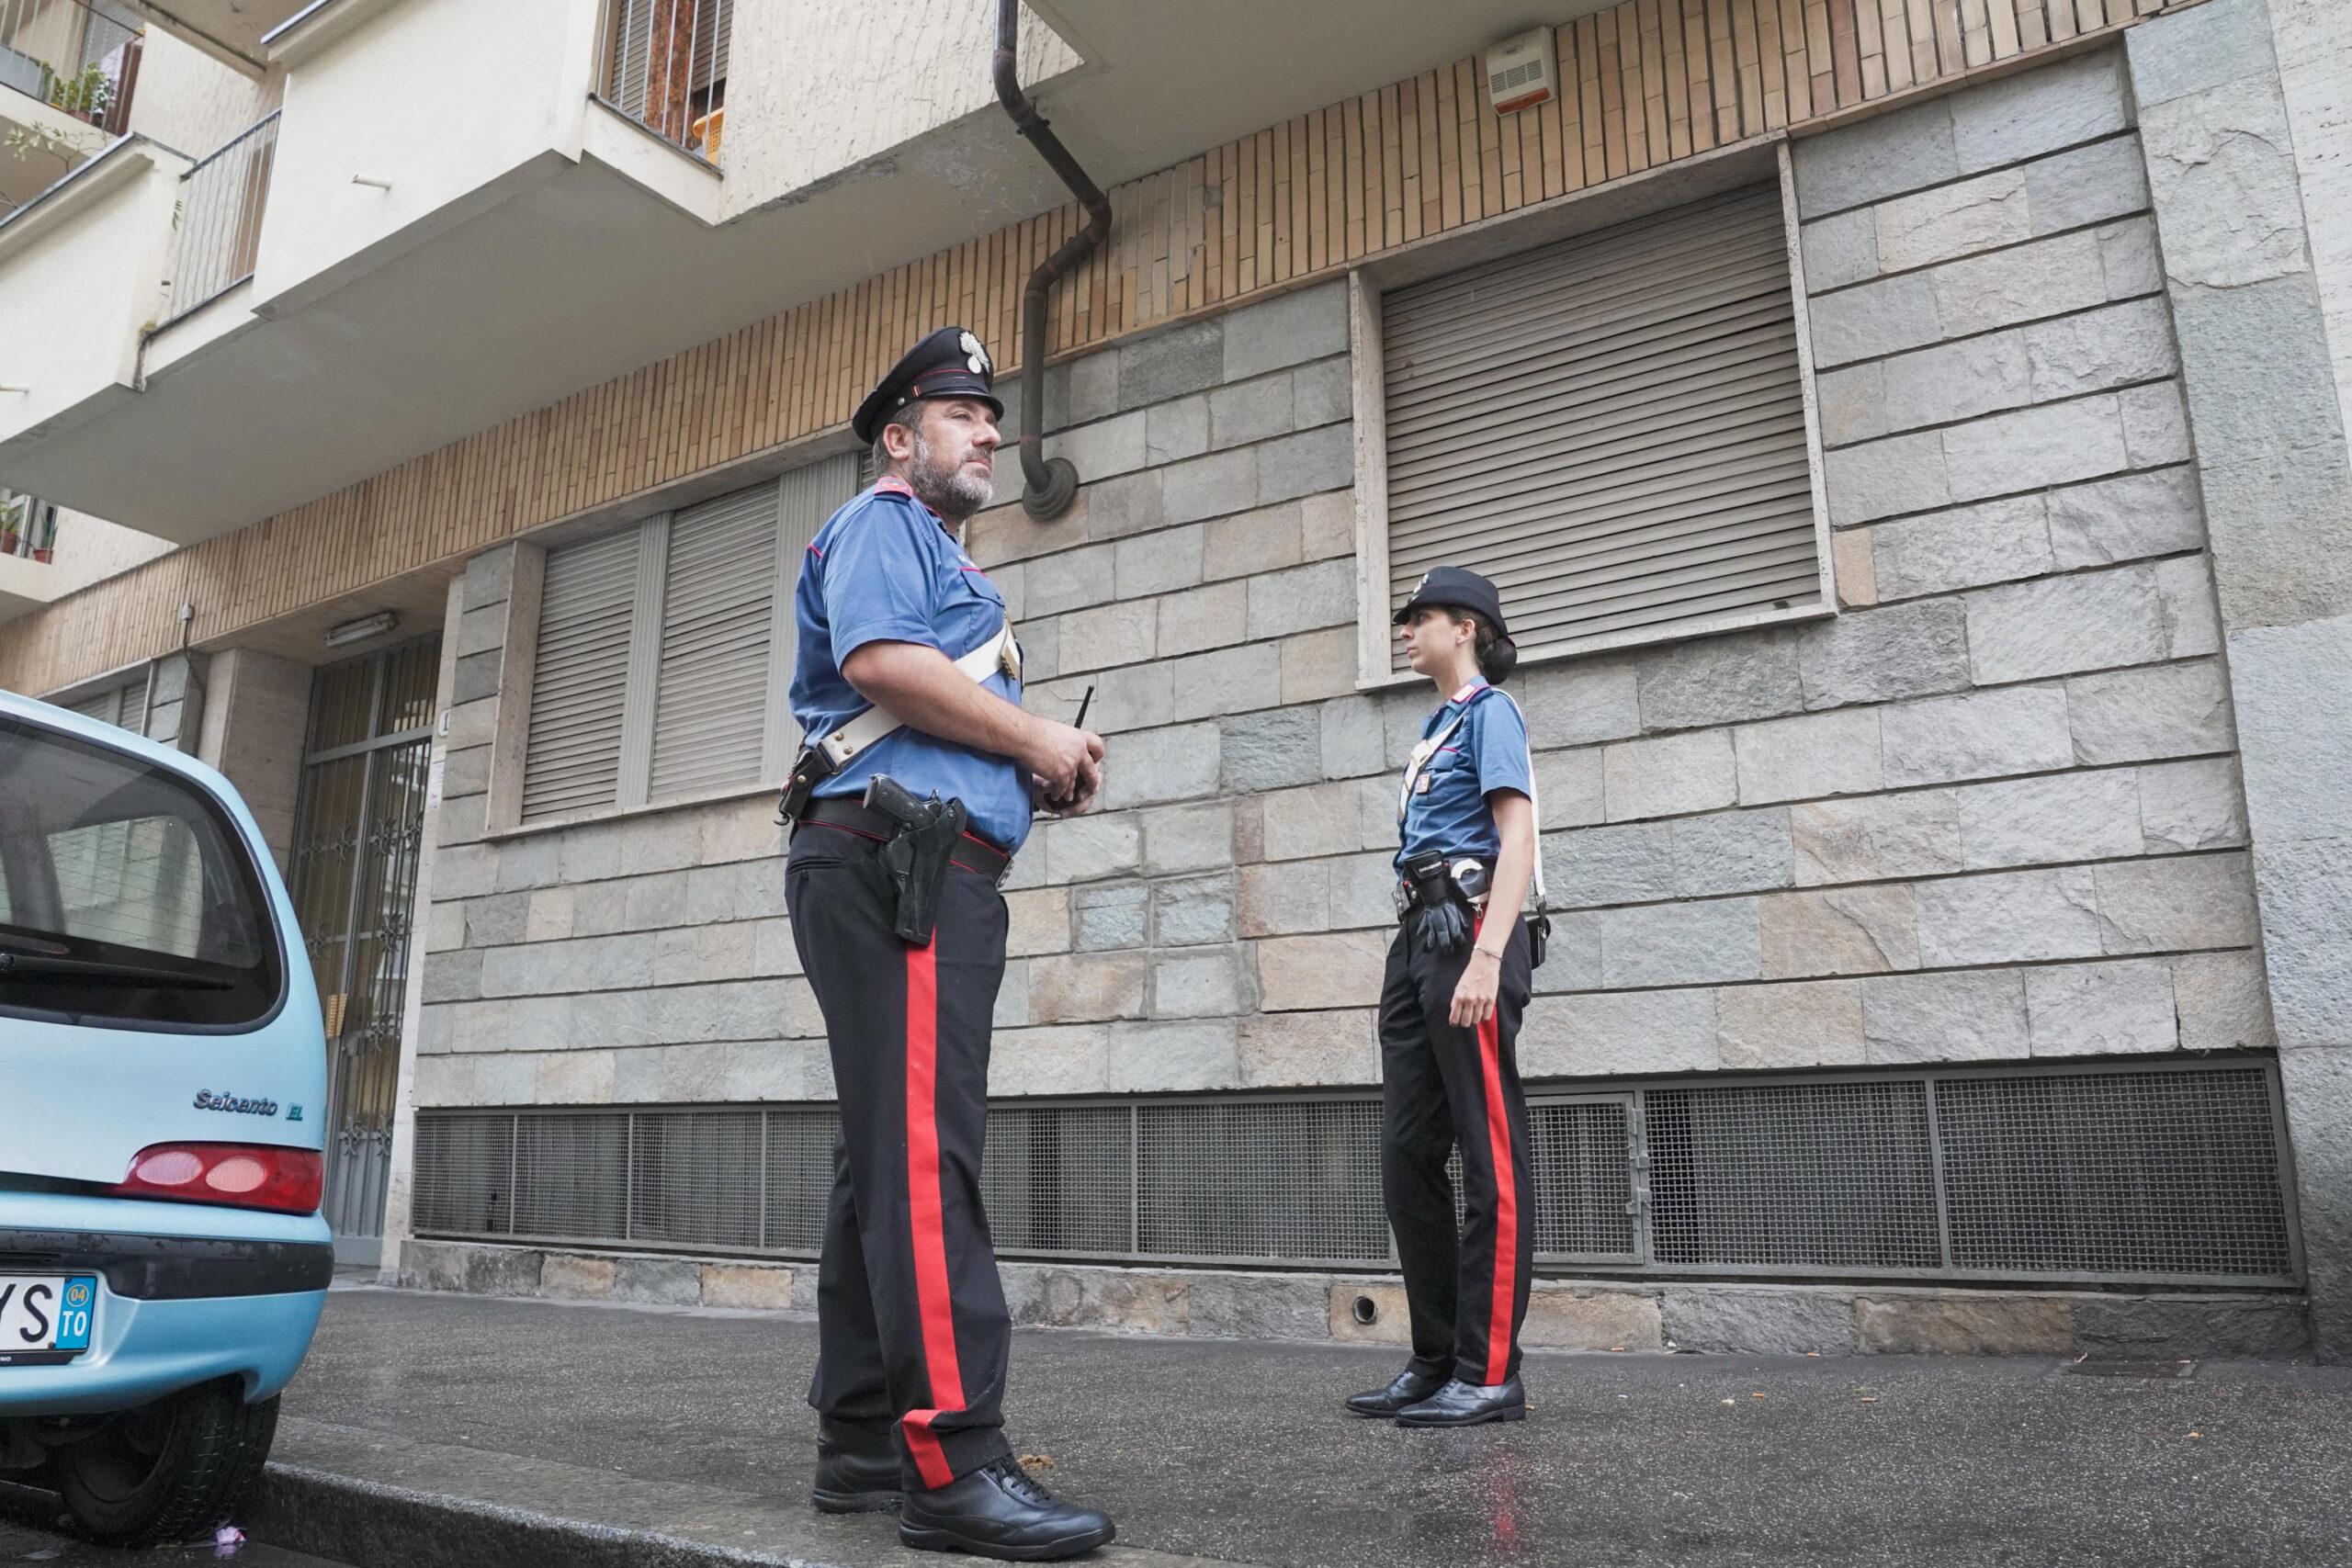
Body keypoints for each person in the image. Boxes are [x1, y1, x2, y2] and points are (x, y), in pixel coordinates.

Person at [779, 326, 1114, 1559]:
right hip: (895, 857)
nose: (988, 431)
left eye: (992, 416)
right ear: (900, 436)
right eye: (963, 413)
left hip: (903, 853)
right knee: (925, 1155)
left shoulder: (939, 558)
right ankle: (955, 1456)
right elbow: (879, 663)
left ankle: (864, 1441)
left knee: (884, 1156)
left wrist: (1036, 759)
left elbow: (923, 694)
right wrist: (1033, 741)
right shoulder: (884, 523)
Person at [1346, 567, 1543, 1429]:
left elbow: (1518, 834)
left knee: (1488, 1153)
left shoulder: (1490, 713)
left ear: (1465, 627)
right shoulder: (1438, 726)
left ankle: (1489, 1368)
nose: (1406, 631)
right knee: (1406, 1152)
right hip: (1419, 937)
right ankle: (1434, 1359)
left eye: (1419, 617)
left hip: (1468, 932)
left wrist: (1487, 954)